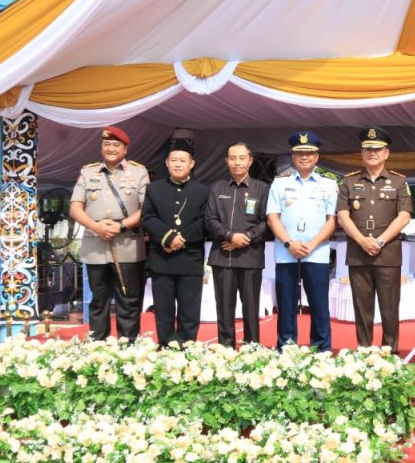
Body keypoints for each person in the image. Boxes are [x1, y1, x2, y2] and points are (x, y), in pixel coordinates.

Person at [336, 127, 412, 353]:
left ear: (386, 153)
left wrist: (379, 241)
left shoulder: (398, 182)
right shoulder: (349, 181)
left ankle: (390, 351)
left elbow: (404, 216)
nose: (372, 153)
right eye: (368, 149)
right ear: (361, 153)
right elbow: (342, 216)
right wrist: (362, 240)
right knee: (362, 308)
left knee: (390, 307)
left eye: (377, 149)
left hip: (388, 254)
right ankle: (364, 351)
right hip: (358, 253)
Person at [69, 126, 149, 340]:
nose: (111, 149)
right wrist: (95, 226)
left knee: (128, 299)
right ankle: (98, 345)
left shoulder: (139, 172)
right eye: (107, 144)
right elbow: (75, 208)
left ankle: (128, 344)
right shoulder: (88, 172)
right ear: (101, 147)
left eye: (116, 145)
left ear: (125, 149)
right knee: (98, 299)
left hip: (127, 244)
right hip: (95, 245)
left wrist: (121, 226)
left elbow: (146, 209)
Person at [267, 132, 338, 350]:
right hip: (286, 252)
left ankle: (322, 349)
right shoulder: (280, 183)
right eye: (300, 153)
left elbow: (332, 220)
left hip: (316, 252)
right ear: (293, 156)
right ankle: (286, 348)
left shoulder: (329, 184)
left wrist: (312, 244)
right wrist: (289, 243)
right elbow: (272, 217)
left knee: (319, 304)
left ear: (316, 157)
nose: (304, 157)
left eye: (309, 153)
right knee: (286, 304)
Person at [140, 140, 210, 346]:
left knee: (190, 311)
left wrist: (181, 239)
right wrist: (169, 237)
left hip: (190, 259)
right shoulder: (154, 189)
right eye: (174, 160)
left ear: (192, 163)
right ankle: (166, 348)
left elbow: (205, 221)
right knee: (163, 311)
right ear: (167, 163)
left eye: (182, 160)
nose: (178, 164)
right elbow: (147, 217)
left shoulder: (203, 190)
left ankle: (187, 349)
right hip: (162, 260)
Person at [205, 142, 270, 348]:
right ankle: (225, 349)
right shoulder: (217, 188)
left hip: (250, 256)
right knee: (224, 307)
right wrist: (230, 236)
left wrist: (246, 238)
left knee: (251, 307)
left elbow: (267, 221)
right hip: (222, 256)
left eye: (242, 158)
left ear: (250, 161)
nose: (237, 162)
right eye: (233, 158)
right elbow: (210, 219)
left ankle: (252, 348)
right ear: (226, 161)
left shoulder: (262, 189)